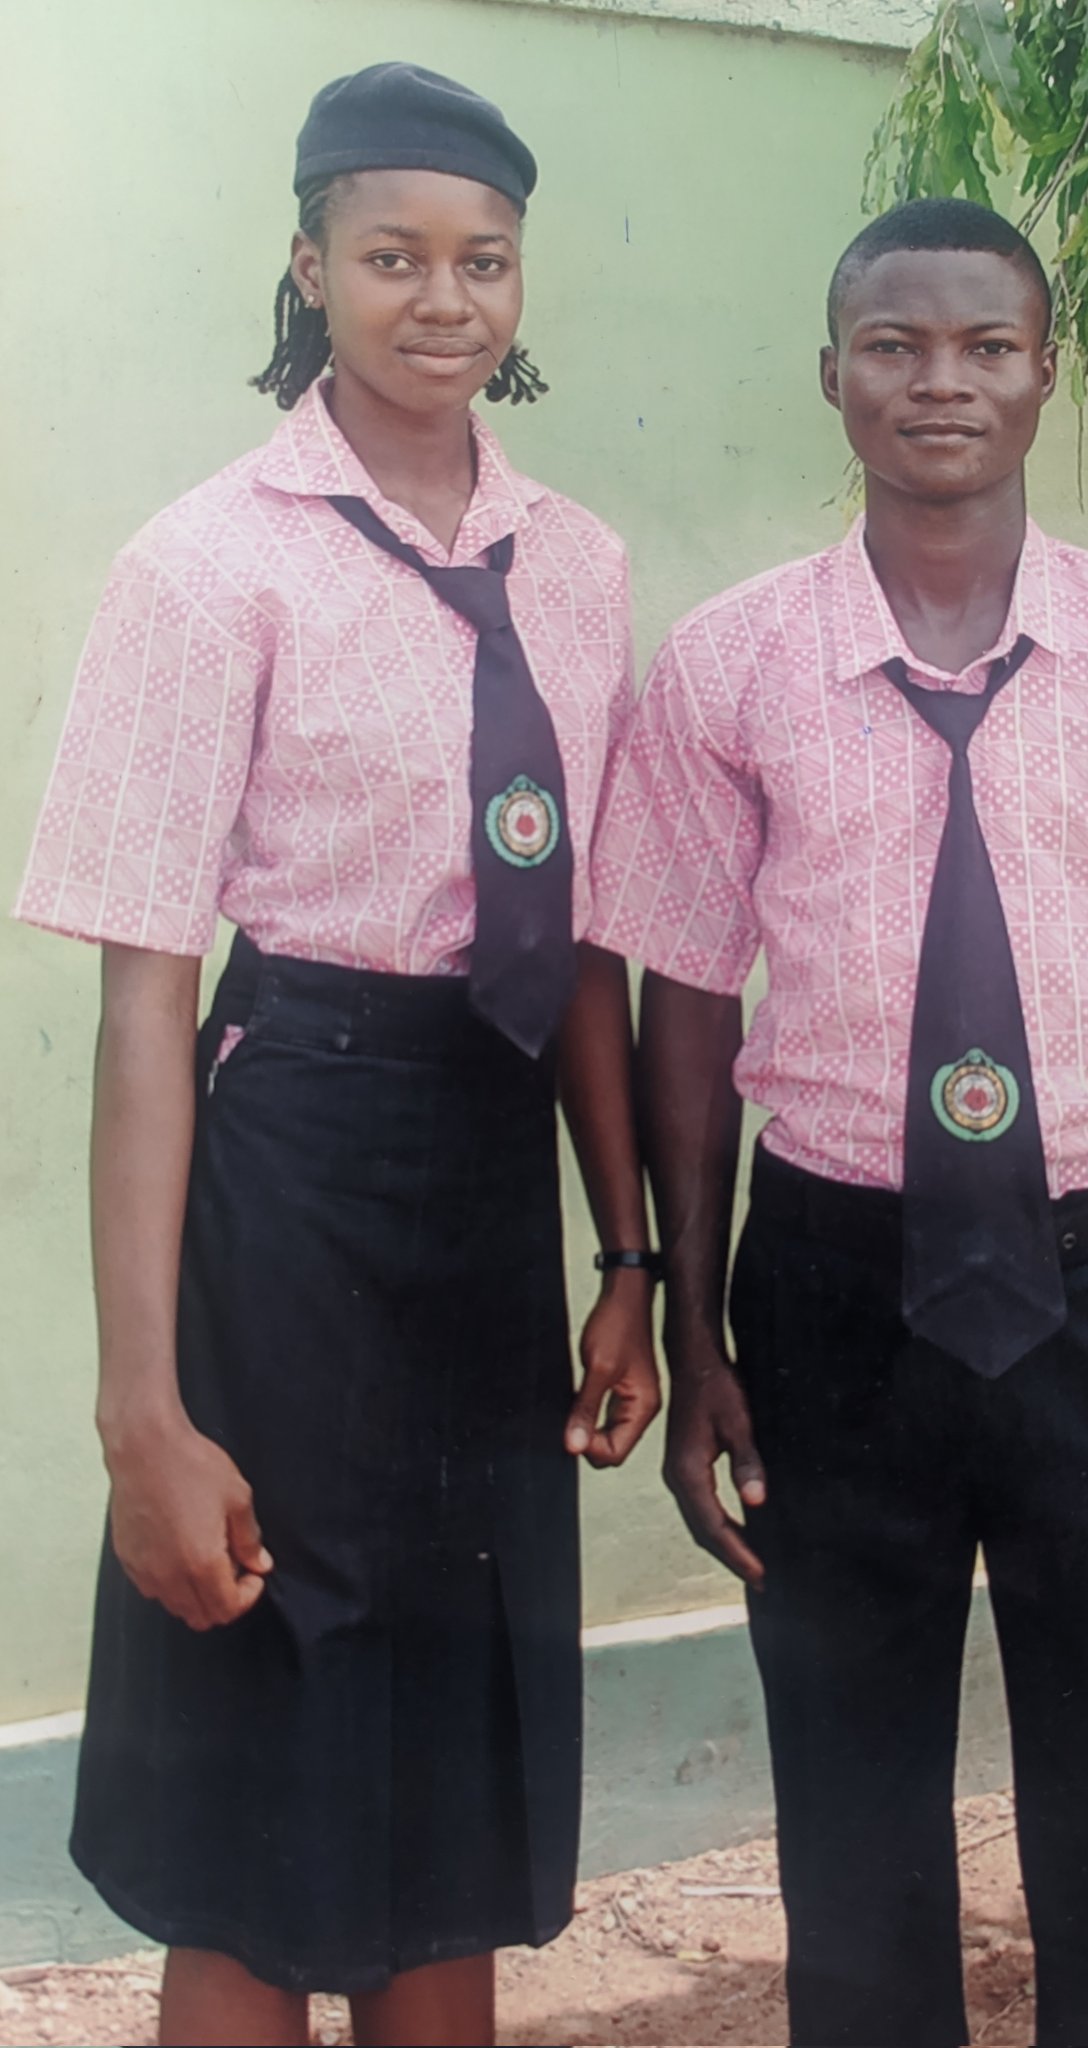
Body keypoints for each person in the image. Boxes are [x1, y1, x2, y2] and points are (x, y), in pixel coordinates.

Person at [587, 197, 1088, 2048]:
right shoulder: (728, 667)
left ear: (1044, 376)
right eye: (895, 346)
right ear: (832, 377)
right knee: (851, 1847)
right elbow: (686, 1007)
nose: (939, 381)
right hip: (827, 1307)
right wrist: (701, 1334)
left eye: (986, 347)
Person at [14, 62, 660, 2048]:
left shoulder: (579, 567)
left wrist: (627, 1256)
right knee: (263, 1764)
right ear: (310, 267)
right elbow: (146, 1001)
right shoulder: (207, 566)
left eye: (485, 259)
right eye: (393, 256)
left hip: (487, 1191)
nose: (444, 299)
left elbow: (580, 944)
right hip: (284, 1175)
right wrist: (142, 1404)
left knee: (452, 1762)